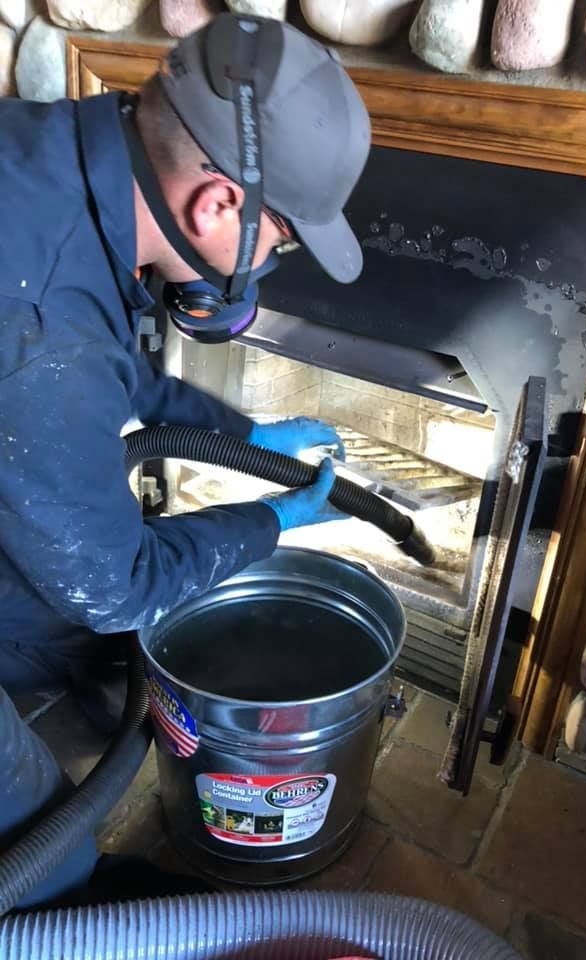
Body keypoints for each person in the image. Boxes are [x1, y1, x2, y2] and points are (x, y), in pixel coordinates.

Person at [0, 13, 370, 907]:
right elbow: (115, 586)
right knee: (18, 801)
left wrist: (238, 435)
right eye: (280, 244)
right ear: (218, 207)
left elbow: (105, 371)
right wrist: (268, 523)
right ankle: (73, 907)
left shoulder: (47, 161)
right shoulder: (44, 328)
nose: (270, 264)